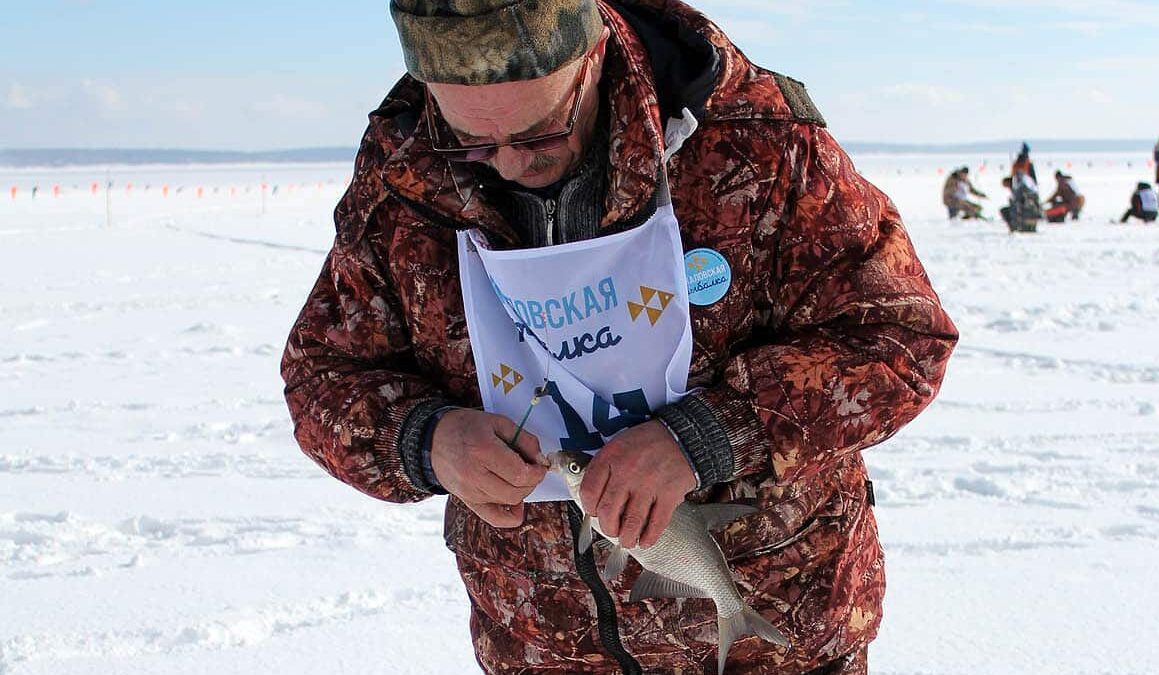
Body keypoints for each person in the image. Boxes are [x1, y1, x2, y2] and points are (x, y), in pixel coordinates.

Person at [281, 1, 958, 673]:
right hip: (540, 648)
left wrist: (709, 436)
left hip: (777, 641)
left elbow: (901, 336)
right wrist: (427, 441)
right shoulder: (401, 175)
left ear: (594, 55)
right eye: (474, 143)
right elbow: (322, 375)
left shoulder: (752, 137)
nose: (511, 164)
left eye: (541, 133)